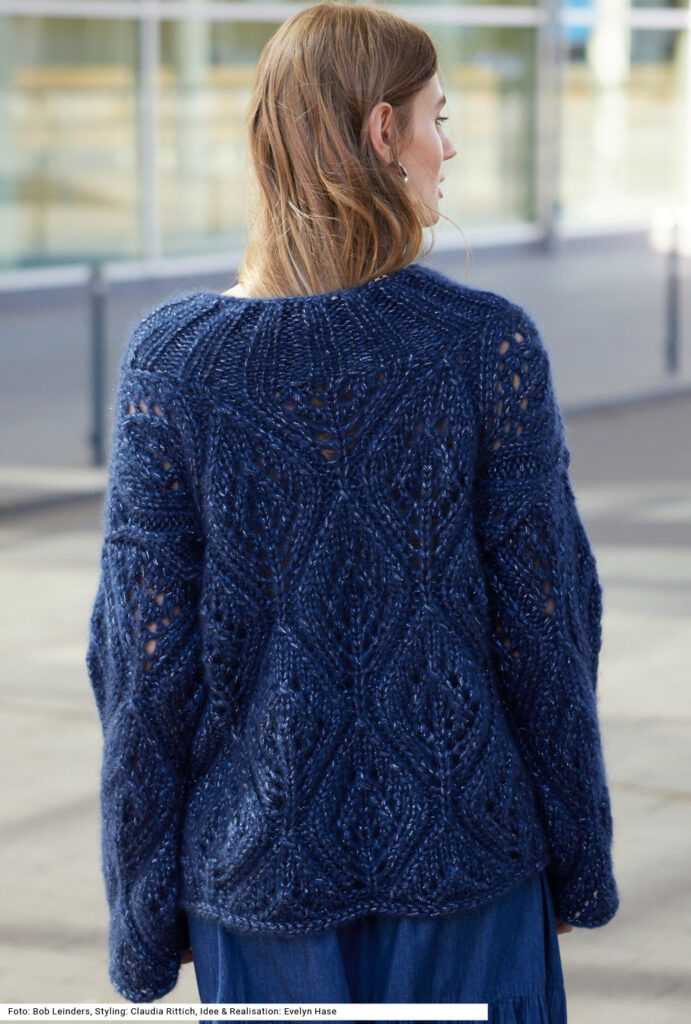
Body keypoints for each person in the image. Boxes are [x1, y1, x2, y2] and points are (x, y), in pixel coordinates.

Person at [84, 2, 619, 1020]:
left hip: (257, 892)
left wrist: (144, 910)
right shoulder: (484, 346)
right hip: (470, 876)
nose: (446, 148)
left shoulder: (173, 365)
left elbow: (143, 669)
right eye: (436, 118)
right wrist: (573, 853)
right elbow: (547, 627)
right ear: (382, 130)